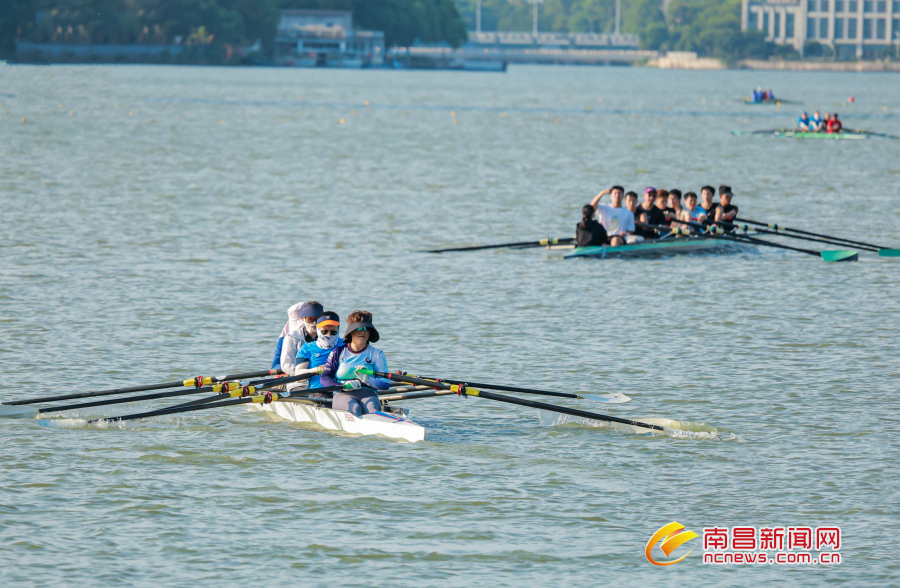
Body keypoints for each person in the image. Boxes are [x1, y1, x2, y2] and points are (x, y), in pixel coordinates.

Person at [319, 310, 392, 417]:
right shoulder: (338, 352)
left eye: (366, 329)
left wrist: (368, 380)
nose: (362, 331)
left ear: (370, 332)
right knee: (354, 408)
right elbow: (325, 378)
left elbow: (386, 384)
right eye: (358, 328)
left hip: (369, 393)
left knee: (372, 409)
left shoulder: (377, 354)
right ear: (351, 331)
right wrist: (342, 386)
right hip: (343, 393)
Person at [292, 311, 344, 395]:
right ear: (317, 330)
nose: (329, 335)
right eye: (324, 332)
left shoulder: (347, 345)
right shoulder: (307, 348)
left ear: (338, 329)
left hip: (344, 389)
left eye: (333, 332)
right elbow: (298, 375)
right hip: (319, 391)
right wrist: (316, 369)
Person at [279, 301, 323, 378]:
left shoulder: (329, 336)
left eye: (317, 319)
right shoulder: (292, 337)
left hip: (322, 376)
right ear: (303, 319)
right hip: (298, 378)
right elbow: (286, 365)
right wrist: (307, 372)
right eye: (310, 319)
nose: (314, 323)